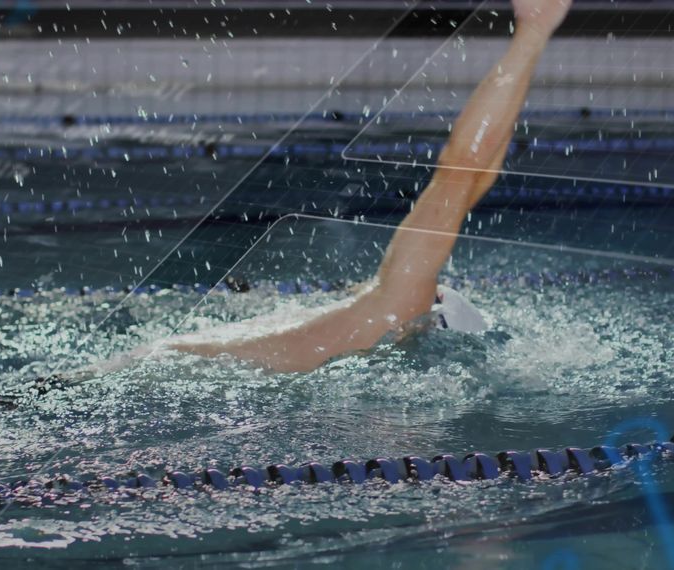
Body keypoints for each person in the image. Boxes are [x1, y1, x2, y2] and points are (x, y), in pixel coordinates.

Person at [161, 0, 572, 373]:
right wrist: (532, 38)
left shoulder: (395, 307)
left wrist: (532, 31)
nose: (428, 276)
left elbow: (461, 170)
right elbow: (469, 179)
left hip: (155, 369)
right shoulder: (380, 319)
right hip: (165, 368)